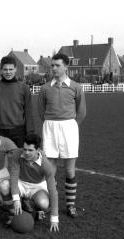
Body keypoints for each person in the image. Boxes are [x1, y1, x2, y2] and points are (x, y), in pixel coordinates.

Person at [38, 53, 86, 218]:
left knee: (69, 169)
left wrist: (70, 126)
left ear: (66, 67)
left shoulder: (76, 87)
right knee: (49, 170)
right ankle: (50, 203)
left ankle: (71, 205)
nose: (54, 68)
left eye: (57, 65)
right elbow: (40, 111)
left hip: (69, 128)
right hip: (50, 127)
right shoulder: (45, 88)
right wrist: (52, 124)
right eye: (52, 65)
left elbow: (81, 112)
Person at [0, 133, 59, 232]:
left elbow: (53, 191)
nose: (26, 152)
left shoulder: (47, 166)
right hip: (21, 182)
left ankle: (38, 209)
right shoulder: (17, 154)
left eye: (30, 150)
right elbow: (14, 176)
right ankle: (12, 212)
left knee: (43, 203)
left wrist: (54, 218)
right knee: (4, 186)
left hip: (37, 186)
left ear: (38, 150)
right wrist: (16, 199)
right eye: (25, 149)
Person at [0, 56, 35, 147]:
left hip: (18, 131)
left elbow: (29, 112)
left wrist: (30, 132)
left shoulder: (24, 88)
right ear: (1, 70)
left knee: (17, 159)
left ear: (15, 69)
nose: (8, 72)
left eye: (11, 69)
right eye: (5, 69)